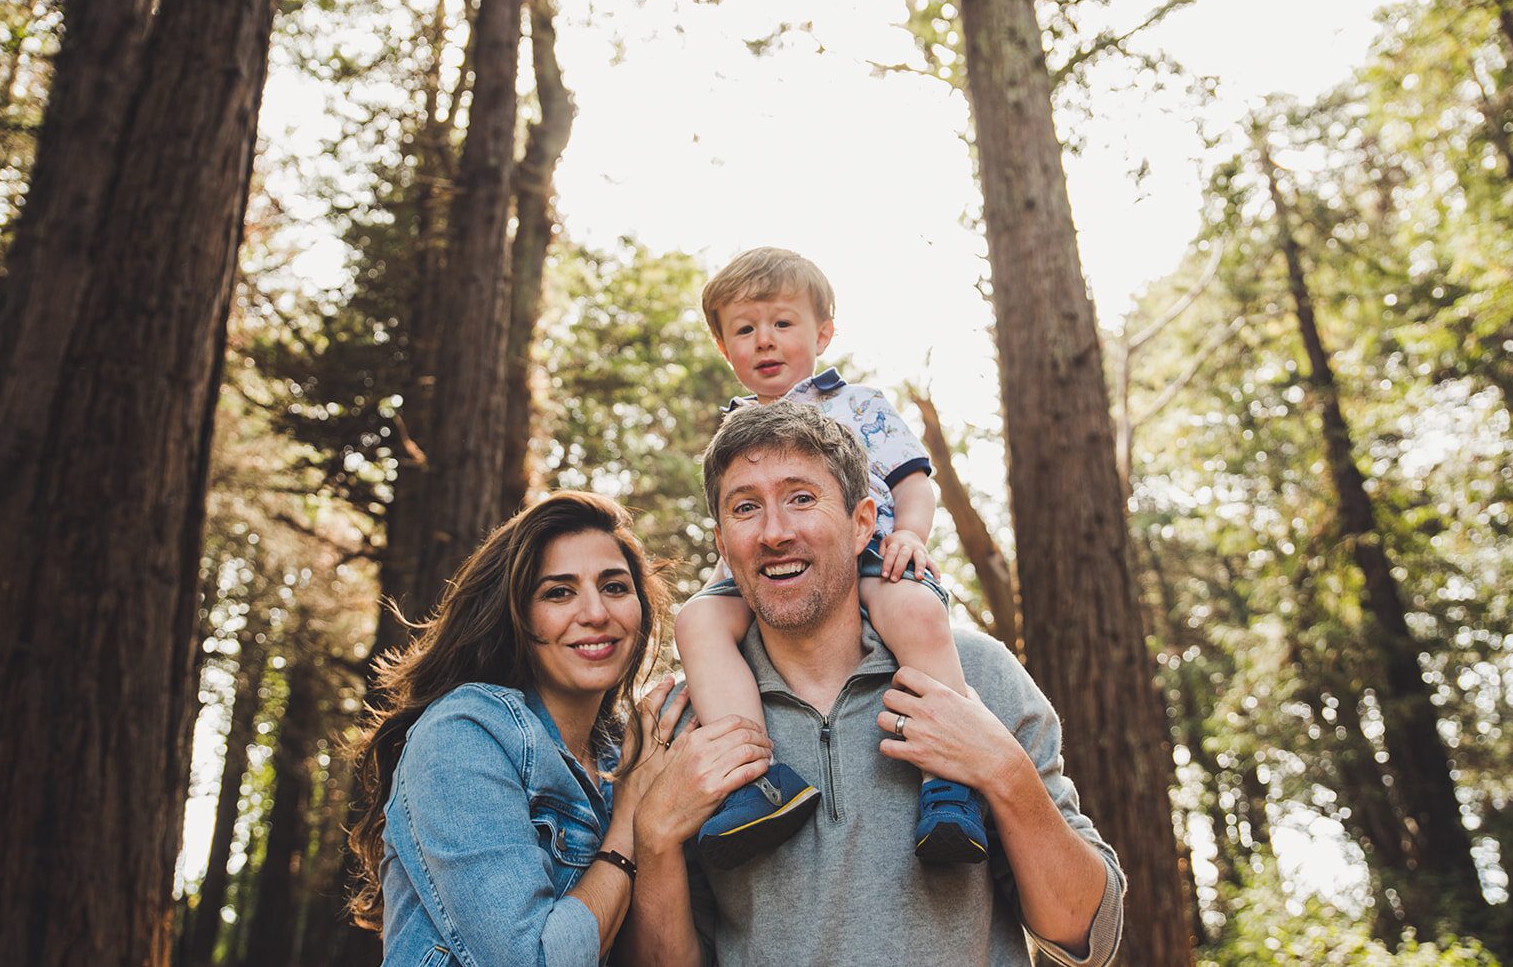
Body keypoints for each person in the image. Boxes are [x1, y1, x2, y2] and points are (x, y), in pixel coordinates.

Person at [621, 402, 1125, 966]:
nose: (774, 532)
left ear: (863, 523)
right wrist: (656, 838)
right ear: (722, 542)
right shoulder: (684, 723)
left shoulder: (976, 675)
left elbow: (1089, 935)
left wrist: (1004, 772)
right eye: (746, 508)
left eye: (802, 498)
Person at [346, 491, 771, 966]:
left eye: (614, 587)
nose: (595, 613)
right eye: (558, 592)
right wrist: (632, 820)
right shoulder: (464, 735)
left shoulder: (630, 750)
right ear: (515, 614)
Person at [675, 246, 988, 868]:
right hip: (769, 569)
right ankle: (756, 782)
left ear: (822, 333)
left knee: (918, 615)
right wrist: (714, 601)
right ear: (724, 347)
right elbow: (739, 524)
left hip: (871, 555)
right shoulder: (733, 431)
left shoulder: (860, 405)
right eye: (744, 329)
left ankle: (950, 781)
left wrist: (914, 537)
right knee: (696, 622)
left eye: (782, 323)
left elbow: (912, 482)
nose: (765, 341)